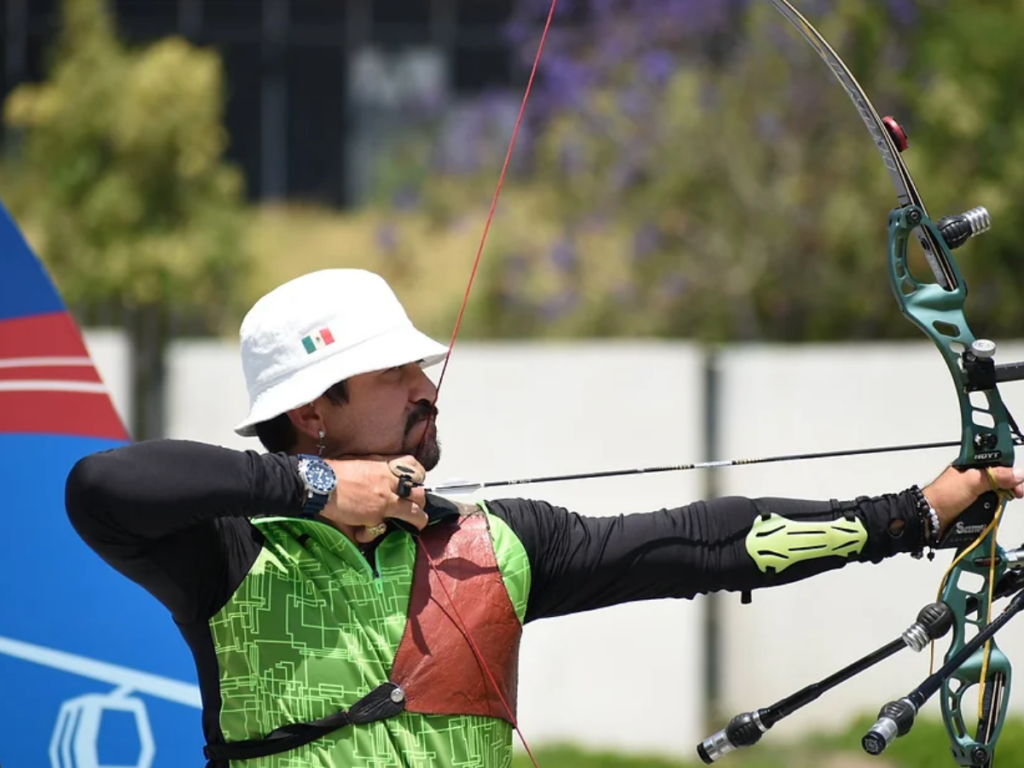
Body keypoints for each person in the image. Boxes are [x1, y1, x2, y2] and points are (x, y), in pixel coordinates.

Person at [65, 268, 1024, 768]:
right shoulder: (230, 554)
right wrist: (315, 491)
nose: (424, 383)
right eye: (396, 371)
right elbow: (101, 486)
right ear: (314, 411)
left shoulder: (493, 546)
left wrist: (912, 513)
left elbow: (704, 543)